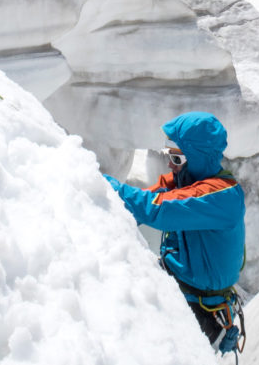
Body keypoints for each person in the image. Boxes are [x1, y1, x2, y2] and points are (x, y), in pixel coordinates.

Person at [103, 112, 247, 352]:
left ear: (197, 158)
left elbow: (157, 208)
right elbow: (145, 202)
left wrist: (98, 181)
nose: (170, 164)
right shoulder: (186, 179)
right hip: (180, 291)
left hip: (200, 313)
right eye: (169, 154)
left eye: (176, 158)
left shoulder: (221, 197)